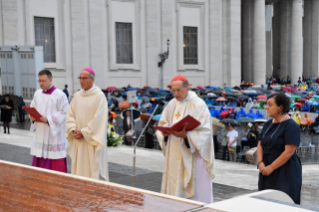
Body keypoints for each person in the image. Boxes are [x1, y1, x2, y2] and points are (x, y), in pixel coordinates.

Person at [155, 75, 215, 203]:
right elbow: (163, 124)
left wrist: (186, 136)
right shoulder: (171, 104)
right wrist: (164, 134)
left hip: (193, 155)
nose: (176, 94)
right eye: (173, 90)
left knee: (194, 193)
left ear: (187, 88)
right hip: (174, 153)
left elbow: (205, 131)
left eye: (179, 90)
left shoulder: (198, 105)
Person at [257, 93, 302, 204]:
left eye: (270, 104)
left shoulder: (291, 126)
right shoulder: (267, 124)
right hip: (266, 169)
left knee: (283, 203)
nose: (266, 107)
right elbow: (260, 144)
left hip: (285, 171)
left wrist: (271, 168)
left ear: (280, 107)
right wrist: (260, 163)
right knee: (266, 202)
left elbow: (289, 152)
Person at [66, 67, 109, 181]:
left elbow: (99, 119)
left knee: (92, 171)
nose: (81, 81)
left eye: (84, 78)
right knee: (78, 172)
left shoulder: (99, 96)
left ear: (92, 79)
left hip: (91, 141)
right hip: (78, 140)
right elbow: (70, 114)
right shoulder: (77, 96)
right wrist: (73, 130)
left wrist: (84, 132)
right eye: (80, 78)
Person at [29, 70, 69, 172]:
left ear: (51, 80)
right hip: (41, 132)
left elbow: (65, 113)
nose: (41, 83)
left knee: (54, 168)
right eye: (39, 81)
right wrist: (32, 117)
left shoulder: (60, 95)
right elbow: (32, 107)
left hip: (53, 136)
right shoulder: (37, 94)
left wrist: (49, 118)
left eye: (44, 81)